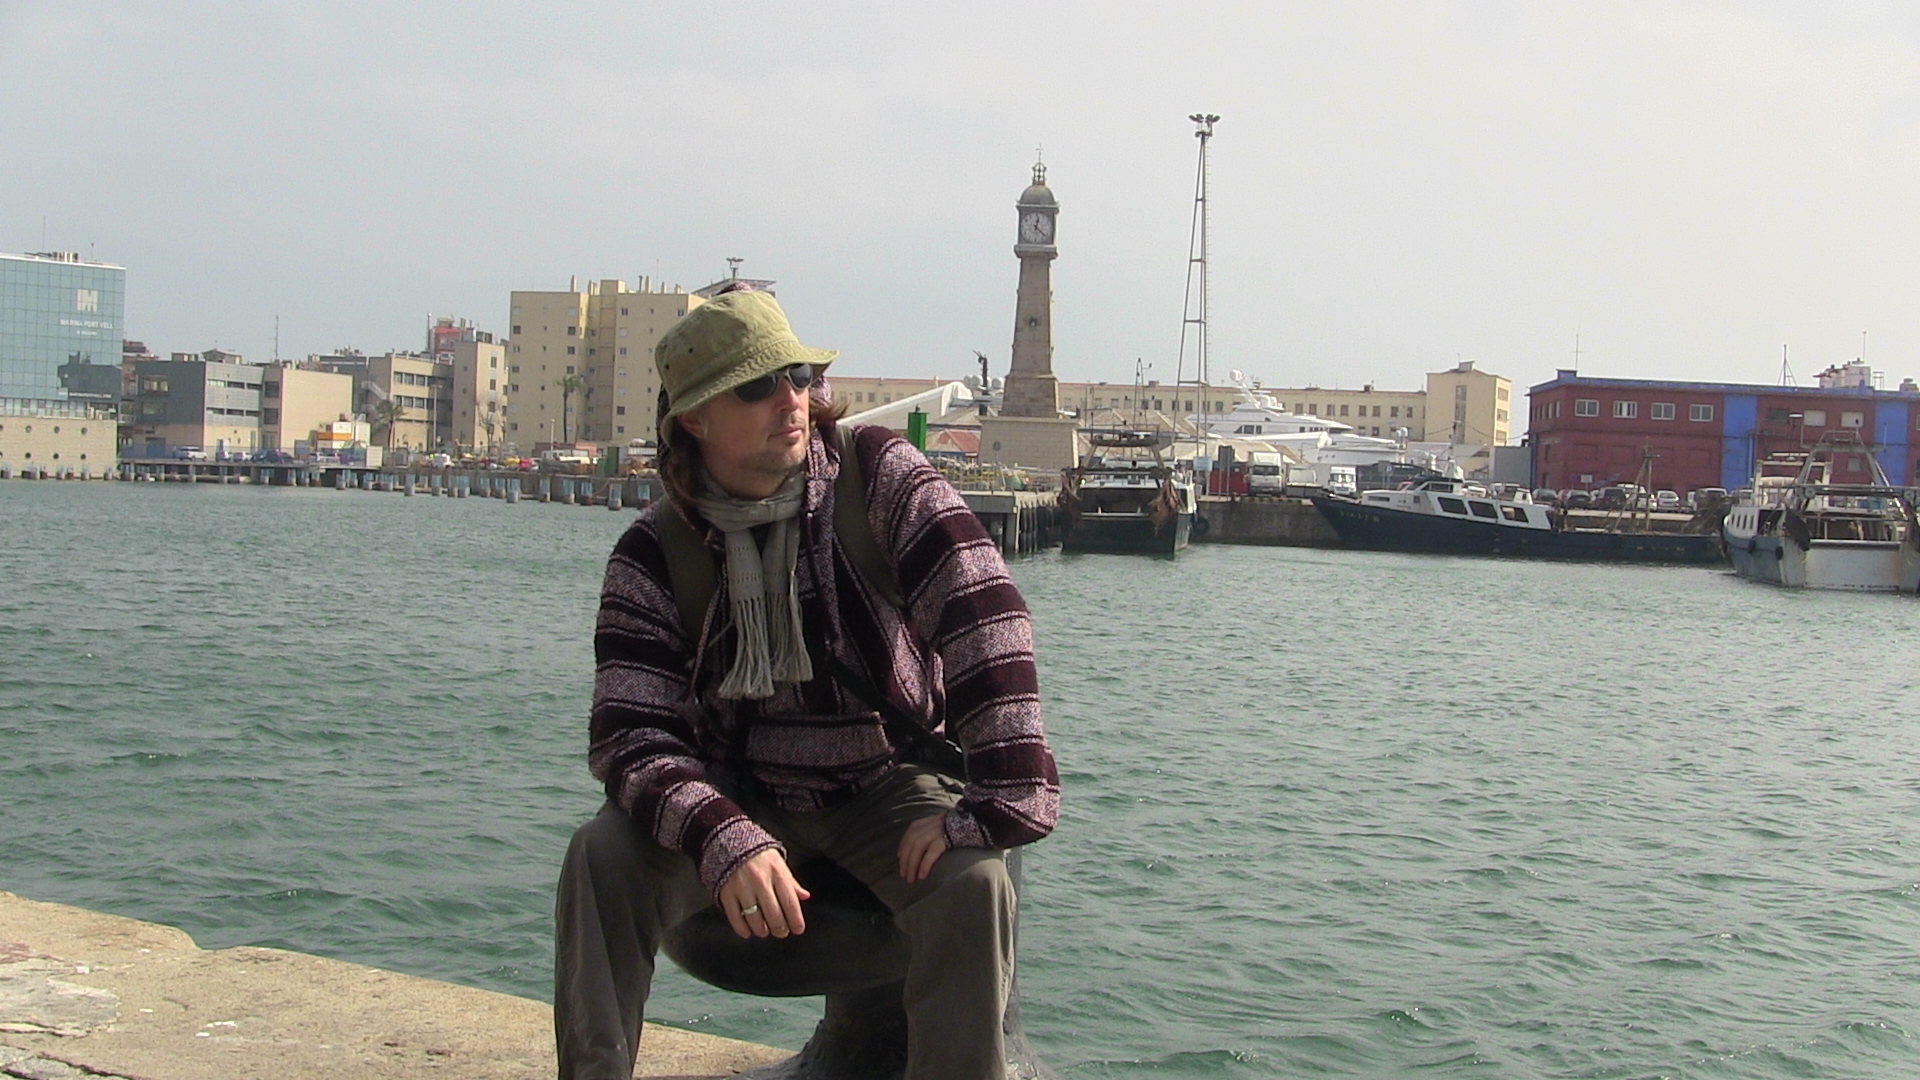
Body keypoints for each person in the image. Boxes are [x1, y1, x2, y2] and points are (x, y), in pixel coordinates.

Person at [554, 289, 1059, 1080]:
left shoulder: (880, 478)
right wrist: (721, 832)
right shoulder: (652, 557)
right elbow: (632, 740)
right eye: (757, 387)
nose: (792, 401)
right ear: (693, 418)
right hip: (739, 785)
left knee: (974, 885)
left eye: (798, 375)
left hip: (880, 780)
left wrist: (997, 799)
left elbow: (985, 615)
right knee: (600, 856)